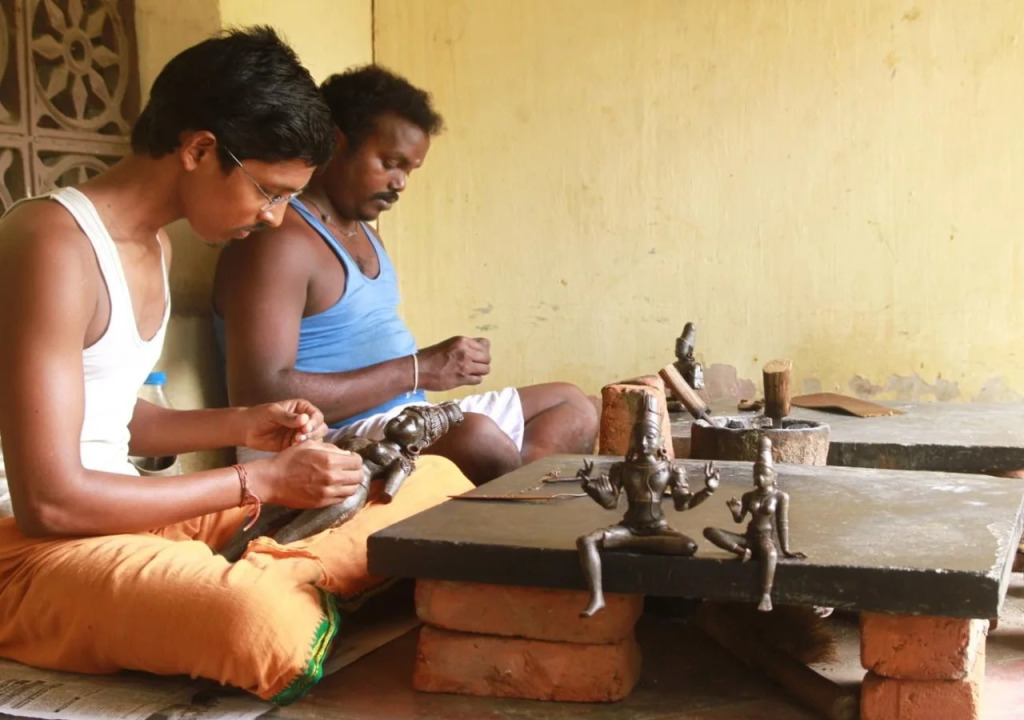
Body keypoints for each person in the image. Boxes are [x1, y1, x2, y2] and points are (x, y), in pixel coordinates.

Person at [0, 28, 472, 704]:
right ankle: (272, 582)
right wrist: (260, 481)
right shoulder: (51, 242)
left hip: (121, 518)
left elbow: (111, 415)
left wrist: (250, 422)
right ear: (198, 150)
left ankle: (262, 573)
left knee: (439, 482)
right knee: (264, 625)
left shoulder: (153, 246)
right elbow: (49, 503)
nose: (276, 219)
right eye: (270, 192)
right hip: (27, 549)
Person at [213, 65, 598, 485]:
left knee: (571, 404)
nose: (399, 183)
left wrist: (425, 373)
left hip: (403, 420)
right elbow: (259, 394)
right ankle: (514, 494)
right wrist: (418, 370)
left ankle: (517, 489)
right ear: (336, 143)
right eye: (390, 163)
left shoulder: (365, 235)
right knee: (476, 439)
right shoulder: (279, 239)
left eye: (409, 170)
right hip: (321, 438)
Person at [575, 394, 719, 617]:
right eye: (638, 438)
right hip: (629, 526)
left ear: (660, 440)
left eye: (649, 437)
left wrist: (707, 490)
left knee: (688, 546)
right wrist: (590, 487)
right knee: (585, 541)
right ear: (632, 440)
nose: (643, 443)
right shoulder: (622, 469)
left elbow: (682, 504)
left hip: (657, 528)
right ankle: (597, 597)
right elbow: (611, 503)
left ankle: (631, 542)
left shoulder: (671, 470)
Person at [703, 436, 807, 611]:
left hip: (765, 538)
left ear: (773, 476)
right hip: (748, 538)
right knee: (710, 531)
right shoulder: (748, 496)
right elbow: (739, 520)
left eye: (764, 474)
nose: (760, 478)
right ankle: (741, 552)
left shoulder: (780, 496)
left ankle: (766, 594)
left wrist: (786, 549)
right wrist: (735, 511)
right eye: (756, 474)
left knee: (771, 554)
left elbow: (782, 523)